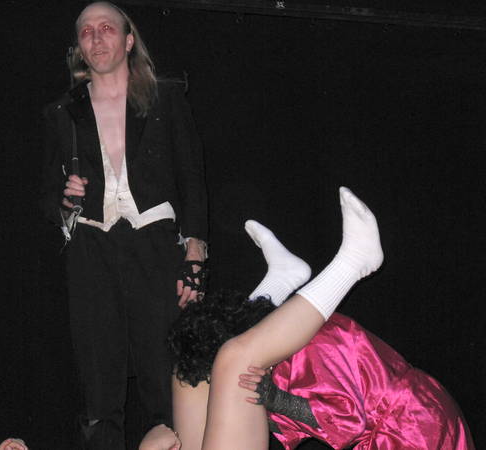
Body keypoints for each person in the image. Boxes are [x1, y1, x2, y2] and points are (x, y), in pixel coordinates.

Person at [165, 187, 473, 449]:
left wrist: (278, 400)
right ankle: (286, 277)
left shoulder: (315, 351)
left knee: (234, 359)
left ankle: (348, 261)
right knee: (219, 362)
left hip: (416, 429)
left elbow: (347, 420)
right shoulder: (285, 346)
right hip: (400, 422)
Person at [39, 2, 208, 448]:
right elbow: (48, 196)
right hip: (92, 248)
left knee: (165, 374)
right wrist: (65, 200)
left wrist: (194, 253)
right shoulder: (63, 111)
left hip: (154, 243)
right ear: (79, 47)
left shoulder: (164, 97)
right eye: (86, 31)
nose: (96, 38)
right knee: (98, 385)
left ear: (128, 40)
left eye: (106, 28)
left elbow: (192, 178)